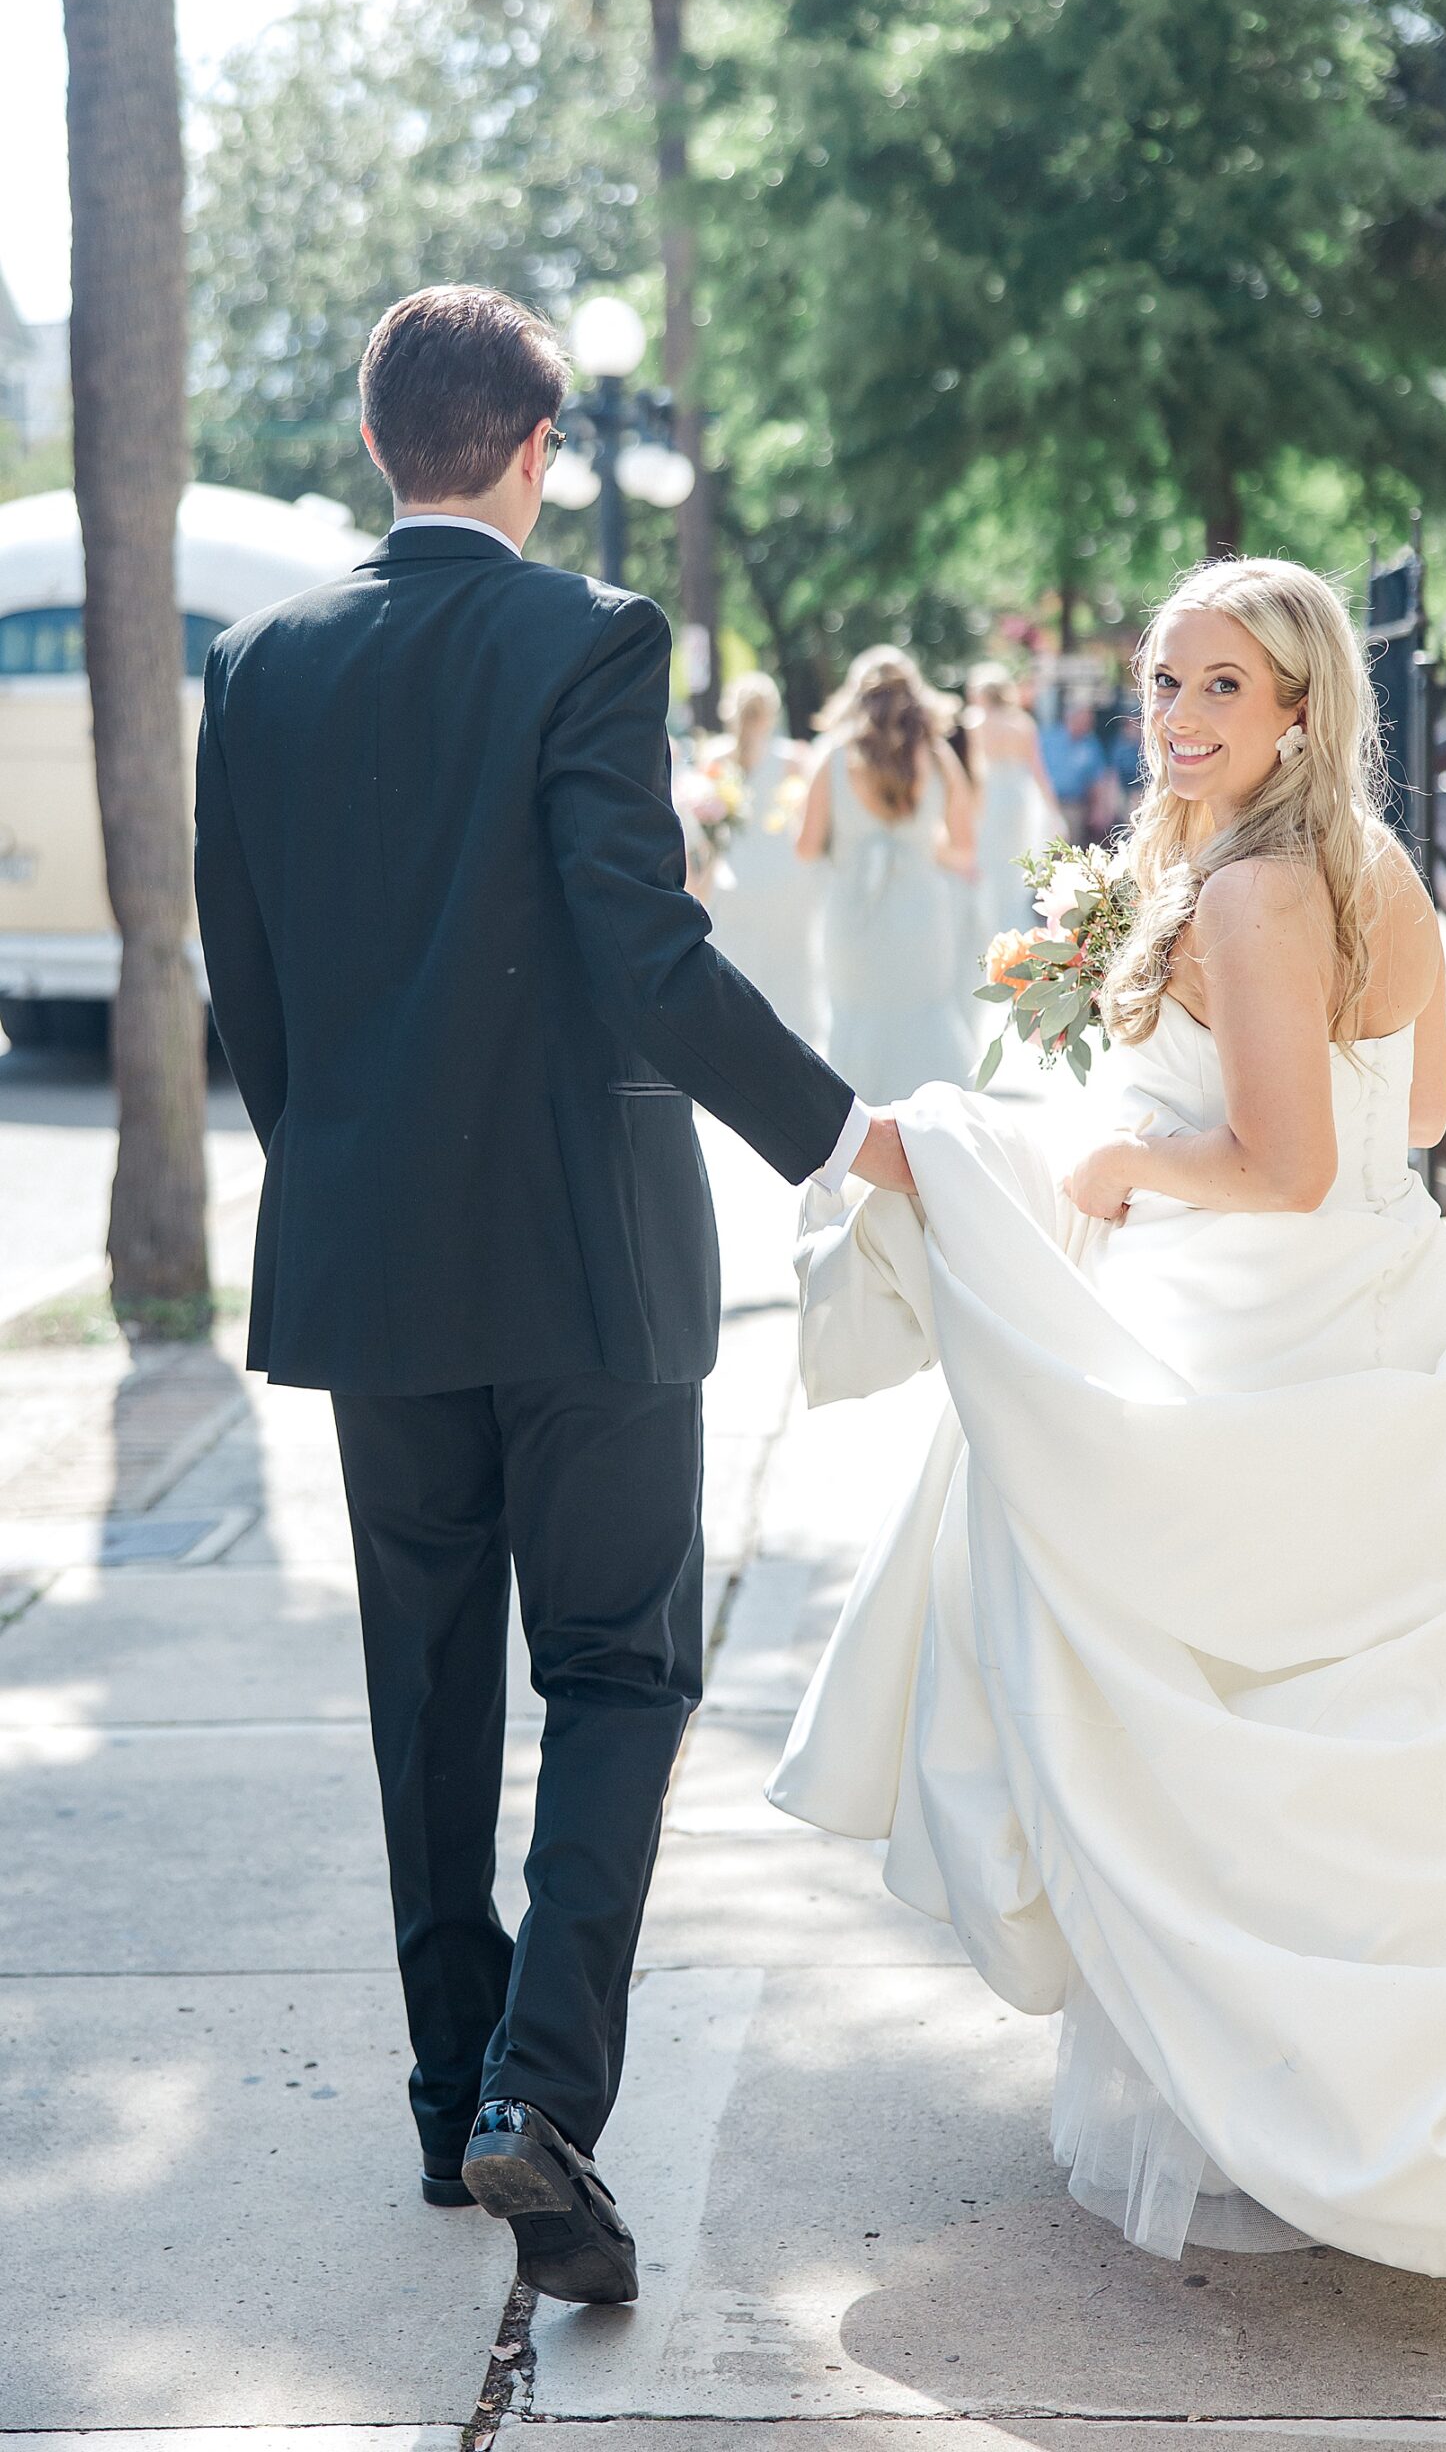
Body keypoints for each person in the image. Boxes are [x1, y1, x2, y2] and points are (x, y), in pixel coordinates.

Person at [772, 555, 1446, 2276]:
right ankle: (1388, 2107)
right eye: (1161, 684)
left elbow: (1285, 1161)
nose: (1176, 720)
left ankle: (1281, 2109)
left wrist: (1116, 1153)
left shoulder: (1258, 893)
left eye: (1216, 689)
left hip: (1264, 1336)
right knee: (1350, 1743)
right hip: (1372, 1314)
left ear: (1295, 710)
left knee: (1186, 1718)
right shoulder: (1373, 868)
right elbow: (1410, 1107)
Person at [193, 285, 913, 2311]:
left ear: (377, 445)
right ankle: (539, 2092)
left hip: (365, 1259)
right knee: (615, 1671)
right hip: (584, 1256)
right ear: (532, 453)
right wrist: (837, 1127)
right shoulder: (587, 634)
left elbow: (248, 989)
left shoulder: (256, 665)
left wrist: (339, 1167)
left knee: (425, 1682)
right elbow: (642, 951)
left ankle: (450, 2100)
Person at [797, 644, 979, 1104]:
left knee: (854, 1023)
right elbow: (964, 848)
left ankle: (853, 1147)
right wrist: (920, 846)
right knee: (925, 1022)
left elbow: (805, 847)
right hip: (922, 917)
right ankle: (930, 1147)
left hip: (852, 918)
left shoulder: (834, 759)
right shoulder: (938, 759)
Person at [701, 670, 824, 1045]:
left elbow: (705, 829)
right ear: (772, 712)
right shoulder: (794, 758)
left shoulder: (714, 758)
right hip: (787, 880)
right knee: (790, 976)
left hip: (735, 881)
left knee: (742, 977)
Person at [962, 660, 1060, 941]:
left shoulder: (973, 722)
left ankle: (988, 931)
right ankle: (1017, 934)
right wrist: (1053, 812)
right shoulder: (1022, 723)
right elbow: (1039, 772)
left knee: (988, 864)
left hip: (986, 797)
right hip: (1018, 800)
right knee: (1014, 866)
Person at [1036, 694, 1106, 844]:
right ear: (1071, 717)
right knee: (1043, 848)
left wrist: (1098, 808)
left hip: (1075, 806)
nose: (1088, 723)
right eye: (1084, 718)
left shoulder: (1091, 744)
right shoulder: (1048, 738)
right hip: (1047, 803)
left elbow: (1097, 779)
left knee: (1069, 850)